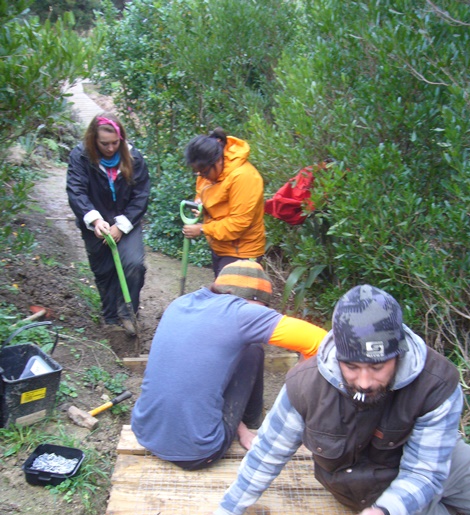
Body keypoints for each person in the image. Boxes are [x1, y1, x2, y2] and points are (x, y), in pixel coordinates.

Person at [197, 284, 470, 515]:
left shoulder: (437, 382)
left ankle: (452, 512)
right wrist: (226, 512)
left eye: (377, 367)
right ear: (338, 356)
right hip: (374, 490)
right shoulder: (306, 386)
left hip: (432, 458)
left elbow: (425, 471)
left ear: (398, 353)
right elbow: (268, 452)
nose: (364, 381)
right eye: (352, 366)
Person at [131, 260, 327, 470]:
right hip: (198, 452)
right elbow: (324, 343)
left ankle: (243, 428)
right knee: (253, 350)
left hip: (145, 433)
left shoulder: (180, 303)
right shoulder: (243, 313)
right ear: (254, 300)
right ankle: (254, 423)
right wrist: (299, 381)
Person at [66, 113, 150, 336]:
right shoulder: (81, 157)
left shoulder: (134, 158)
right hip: (95, 223)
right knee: (104, 270)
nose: (111, 148)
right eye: (105, 144)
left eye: (115, 143)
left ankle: (128, 313)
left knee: (134, 265)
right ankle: (110, 318)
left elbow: (141, 195)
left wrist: (121, 226)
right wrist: (95, 220)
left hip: (127, 221)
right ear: (93, 139)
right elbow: (76, 191)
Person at [183, 127, 265, 277]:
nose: (202, 176)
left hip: (242, 252)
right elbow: (203, 191)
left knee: (229, 291)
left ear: (218, 160)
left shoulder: (244, 177)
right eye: (198, 173)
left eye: (204, 172)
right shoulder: (207, 171)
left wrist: (203, 229)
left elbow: (238, 223)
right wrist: (200, 205)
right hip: (220, 247)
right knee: (221, 290)